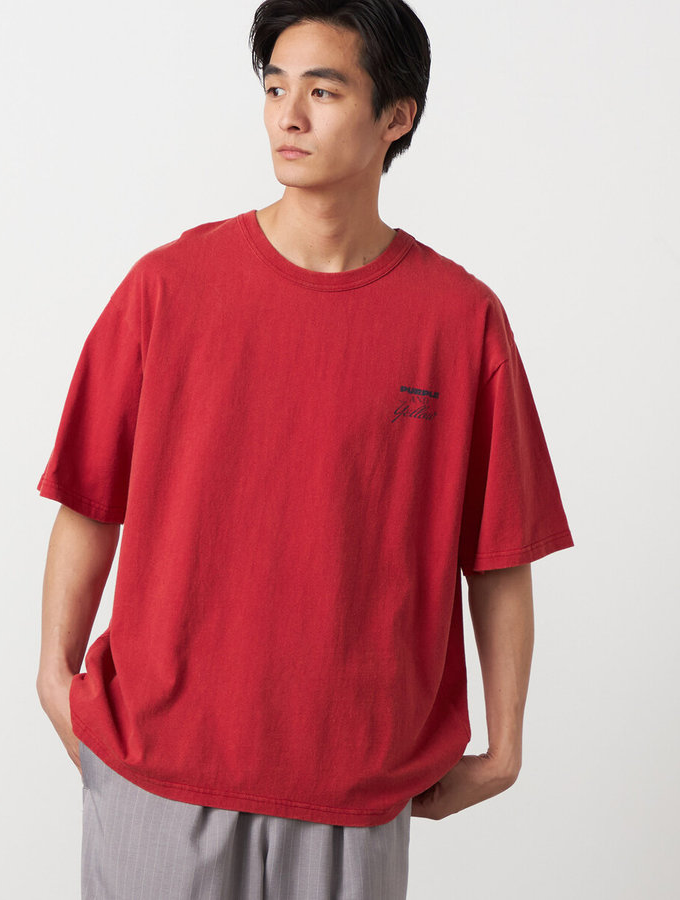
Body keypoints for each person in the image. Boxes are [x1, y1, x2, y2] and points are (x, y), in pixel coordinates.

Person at [35, 1, 574, 897]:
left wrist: (507, 742)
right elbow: (89, 498)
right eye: (275, 88)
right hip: (155, 769)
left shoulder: (459, 320)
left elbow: (499, 550)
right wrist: (54, 679)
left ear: (395, 115)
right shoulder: (169, 287)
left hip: (352, 781)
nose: (288, 116)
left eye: (322, 92)